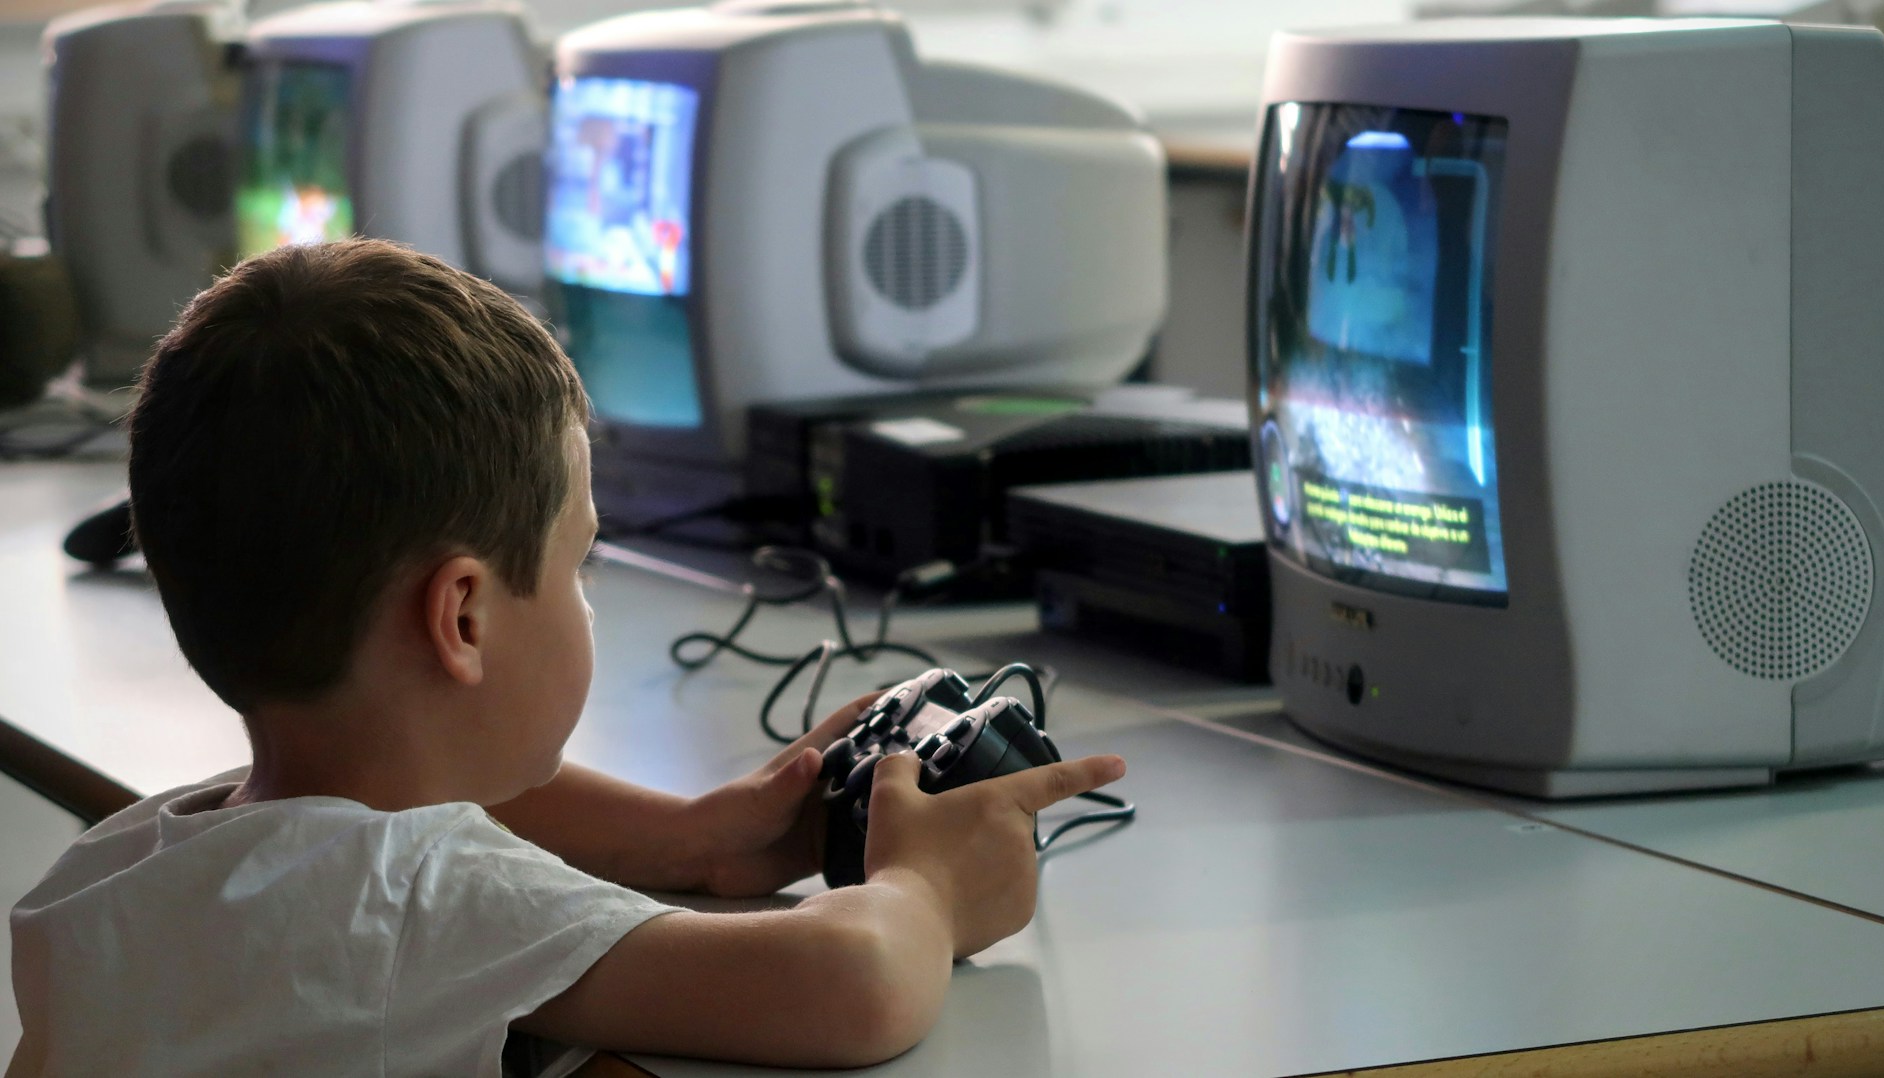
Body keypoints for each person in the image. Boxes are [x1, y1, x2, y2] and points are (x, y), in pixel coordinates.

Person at [7, 239, 1125, 1076]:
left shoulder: (128, 865)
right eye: (580, 563)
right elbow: (847, 986)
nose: (589, 602)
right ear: (464, 619)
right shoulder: (415, 912)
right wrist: (922, 889)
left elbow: (426, 814)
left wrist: (694, 838)